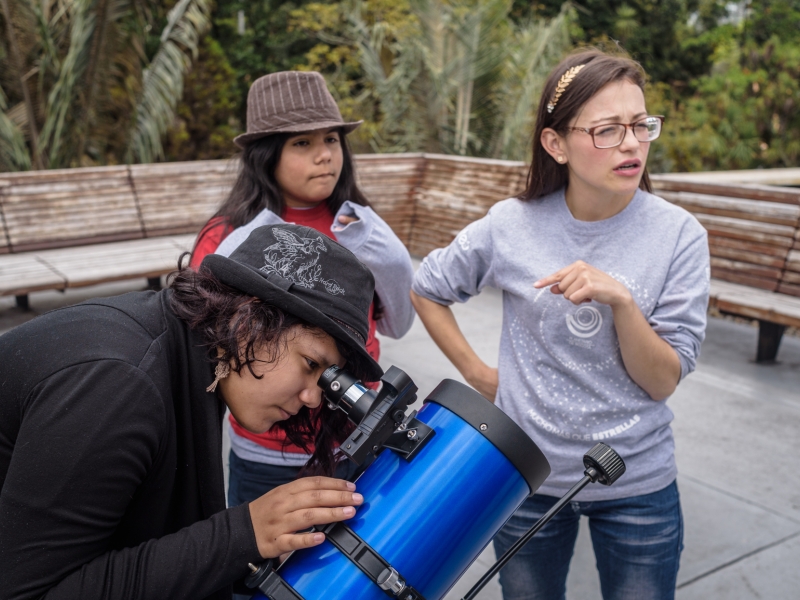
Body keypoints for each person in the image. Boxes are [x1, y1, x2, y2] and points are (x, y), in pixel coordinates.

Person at [410, 49, 710, 600]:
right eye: (607, 130)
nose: (631, 143)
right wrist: (477, 373)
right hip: (526, 478)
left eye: (641, 125)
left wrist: (621, 302)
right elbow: (428, 288)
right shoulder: (511, 226)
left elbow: (663, 379)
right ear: (556, 143)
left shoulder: (679, 235)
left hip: (638, 485)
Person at [0, 224, 383, 600]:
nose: (314, 398)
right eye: (312, 364)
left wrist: (252, 549)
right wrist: (242, 535)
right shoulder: (122, 385)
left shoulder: (185, 356)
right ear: (248, 320)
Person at [190, 71, 414, 508]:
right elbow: (204, 344)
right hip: (264, 457)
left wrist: (383, 252)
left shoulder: (362, 229)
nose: (324, 156)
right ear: (265, 156)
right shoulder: (227, 237)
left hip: (356, 442)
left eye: (331, 140)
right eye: (302, 144)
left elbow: (399, 323)